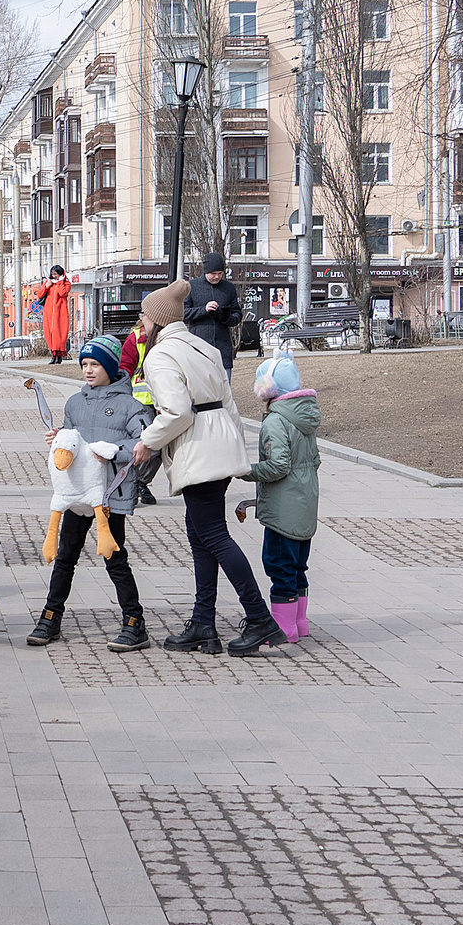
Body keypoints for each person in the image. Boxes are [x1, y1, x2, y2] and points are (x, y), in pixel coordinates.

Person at [130, 280, 281, 656]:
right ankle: (202, 623)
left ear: (158, 321)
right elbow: (229, 406)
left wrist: (147, 442)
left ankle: (260, 618)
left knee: (213, 537)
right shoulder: (204, 346)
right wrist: (237, 455)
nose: (140, 323)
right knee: (202, 538)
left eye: (144, 317)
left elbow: (177, 411)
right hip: (219, 447)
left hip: (198, 450)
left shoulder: (160, 356)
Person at [25, 339, 152, 653]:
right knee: (66, 556)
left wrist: (113, 454)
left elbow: (148, 443)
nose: (88, 370)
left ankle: (134, 623)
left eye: (94, 365)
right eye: (84, 364)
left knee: (114, 557)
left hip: (110, 495)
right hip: (77, 494)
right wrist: (60, 440)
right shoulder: (74, 403)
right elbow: (71, 443)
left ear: (109, 367)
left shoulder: (130, 405)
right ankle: (50, 618)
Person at [237, 351, 321, 642]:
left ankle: (284, 627)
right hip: (304, 503)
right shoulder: (305, 416)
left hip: (283, 510)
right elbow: (315, 460)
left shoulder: (275, 421)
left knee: (278, 565)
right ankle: (300, 622)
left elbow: (278, 466)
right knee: (298, 567)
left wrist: (246, 470)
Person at [184, 252, 242, 371]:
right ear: (205, 272)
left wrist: (226, 317)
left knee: (224, 388)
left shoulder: (229, 288)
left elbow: (237, 315)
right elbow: (183, 313)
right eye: (213, 274)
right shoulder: (192, 286)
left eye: (220, 273)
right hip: (199, 348)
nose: (216, 277)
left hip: (223, 350)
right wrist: (203, 310)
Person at [31, 266, 73, 363]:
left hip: (60, 313)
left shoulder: (66, 283)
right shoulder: (48, 283)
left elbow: (62, 293)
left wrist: (60, 282)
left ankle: (59, 355)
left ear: (61, 274)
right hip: (49, 313)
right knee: (49, 333)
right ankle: (53, 355)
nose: (54, 276)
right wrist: (46, 286)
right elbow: (40, 294)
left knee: (59, 334)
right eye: (52, 274)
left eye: (56, 274)